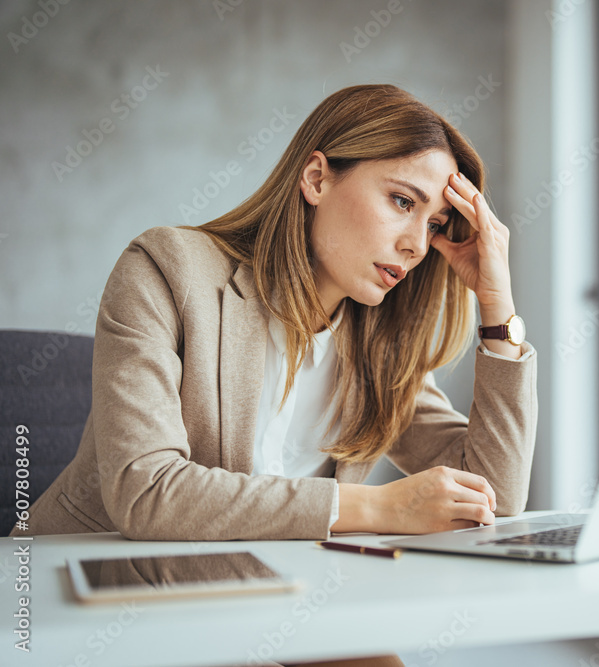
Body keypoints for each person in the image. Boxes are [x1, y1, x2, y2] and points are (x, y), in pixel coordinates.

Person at [16, 84, 538, 667]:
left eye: (437, 222)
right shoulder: (166, 272)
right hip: (101, 597)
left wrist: (498, 305)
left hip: (265, 594)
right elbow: (147, 492)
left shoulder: (380, 343)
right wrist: (376, 508)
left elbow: (496, 491)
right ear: (317, 179)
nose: (416, 245)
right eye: (400, 201)